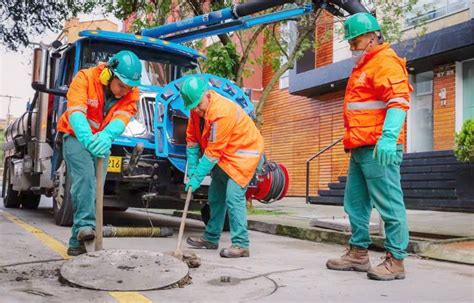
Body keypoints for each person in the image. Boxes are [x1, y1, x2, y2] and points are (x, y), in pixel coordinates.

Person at [325, 13, 413, 280]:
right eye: (350, 42)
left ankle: (396, 261)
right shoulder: (365, 65)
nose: (352, 46)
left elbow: (398, 100)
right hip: (361, 147)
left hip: (379, 147)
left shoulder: (385, 61)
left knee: (389, 204)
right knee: (355, 202)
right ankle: (358, 253)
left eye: (356, 40)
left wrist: (388, 138)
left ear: (373, 37)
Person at [57, 50, 142, 256]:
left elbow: (121, 120)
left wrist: (106, 137)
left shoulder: (131, 93)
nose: (124, 91)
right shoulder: (84, 78)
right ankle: (87, 226)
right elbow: (75, 113)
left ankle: (76, 243)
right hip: (75, 136)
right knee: (85, 179)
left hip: (102, 141)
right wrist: (87, 139)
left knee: (96, 188)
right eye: (121, 85)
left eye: (128, 87)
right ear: (108, 74)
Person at [181, 76, 264, 258]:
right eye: (193, 106)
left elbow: (212, 152)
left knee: (233, 197)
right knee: (215, 196)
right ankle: (210, 238)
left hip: (244, 154)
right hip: (225, 154)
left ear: (207, 95)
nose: (197, 109)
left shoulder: (222, 111)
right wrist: (192, 170)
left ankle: (241, 244)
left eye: (199, 104)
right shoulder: (195, 111)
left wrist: (197, 179)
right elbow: (192, 141)